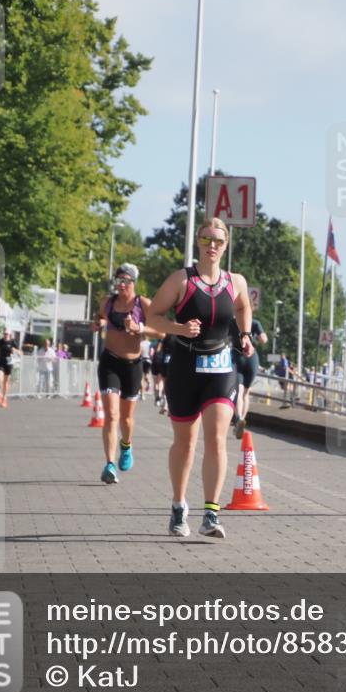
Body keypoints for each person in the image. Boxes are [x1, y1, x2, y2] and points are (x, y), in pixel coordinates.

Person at [146, 217, 255, 539]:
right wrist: (179, 328)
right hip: (185, 366)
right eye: (206, 239)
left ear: (226, 245)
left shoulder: (236, 281)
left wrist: (245, 334)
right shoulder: (182, 279)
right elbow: (153, 315)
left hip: (221, 366)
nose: (212, 246)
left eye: (218, 241)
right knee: (185, 442)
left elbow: (243, 307)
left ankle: (211, 513)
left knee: (217, 437)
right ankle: (179, 505)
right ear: (198, 242)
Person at [93, 263, 153, 484]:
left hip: (132, 366)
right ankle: (110, 464)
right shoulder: (107, 302)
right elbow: (99, 317)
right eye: (118, 281)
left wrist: (139, 328)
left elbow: (162, 331)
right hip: (110, 363)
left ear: (134, 282)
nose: (121, 285)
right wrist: (98, 323)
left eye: (126, 281)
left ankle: (126, 446)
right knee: (111, 415)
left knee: (126, 419)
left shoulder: (143, 304)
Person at [230, 316, 268, 438]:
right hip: (251, 358)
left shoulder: (231, 322)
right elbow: (264, 339)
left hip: (236, 356)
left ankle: (238, 418)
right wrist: (254, 338)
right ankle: (242, 419)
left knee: (239, 391)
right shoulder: (255, 323)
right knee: (246, 393)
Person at [0, 329, 22, 407]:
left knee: (6, 382)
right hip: (0, 362)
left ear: (10, 335)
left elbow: (21, 353)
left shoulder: (12, 342)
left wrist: (15, 350)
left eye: (7, 334)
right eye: (5, 334)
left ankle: (4, 399)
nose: (6, 335)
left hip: (8, 363)